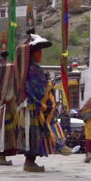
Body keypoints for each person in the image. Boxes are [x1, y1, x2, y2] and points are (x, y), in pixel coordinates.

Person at [15, 29, 70, 172]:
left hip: (29, 106)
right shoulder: (34, 69)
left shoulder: (27, 69)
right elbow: (39, 90)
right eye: (39, 52)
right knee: (33, 134)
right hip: (35, 107)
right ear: (35, 53)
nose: (41, 54)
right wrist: (49, 84)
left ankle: (30, 161)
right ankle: (30, 162)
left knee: (32, 133)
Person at [0, 50, 19, 165]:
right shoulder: (11, 68)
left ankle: (1, 157)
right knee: (7, 130)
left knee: (0, 129)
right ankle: (2, 157)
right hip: (8, 102)